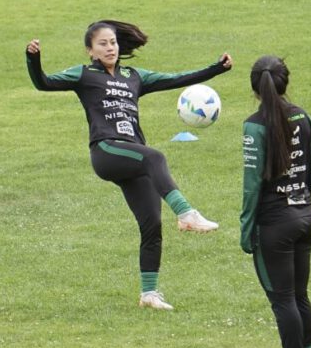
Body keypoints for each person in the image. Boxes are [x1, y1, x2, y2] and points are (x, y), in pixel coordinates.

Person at [26, 20, 232, 310]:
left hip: (131, 156)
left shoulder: (133, 76)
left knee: (152, 223)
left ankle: (149, 294)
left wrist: (216, 68)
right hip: (106, 151)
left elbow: (175, 79)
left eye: (112, 42)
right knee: (155, 157)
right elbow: (43, 82)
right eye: (102, 44)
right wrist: (33, 59)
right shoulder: (84, 74)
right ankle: (187, 215)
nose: (109, 48)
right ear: (90, 50)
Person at [240, 55, 311, 348]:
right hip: (306, 214)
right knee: (300, 296)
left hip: (275, 225)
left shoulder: (254, 125)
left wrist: (246, 232)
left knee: (283, 299)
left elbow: (252, 184)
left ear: (255, 87)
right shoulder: (303, 116)